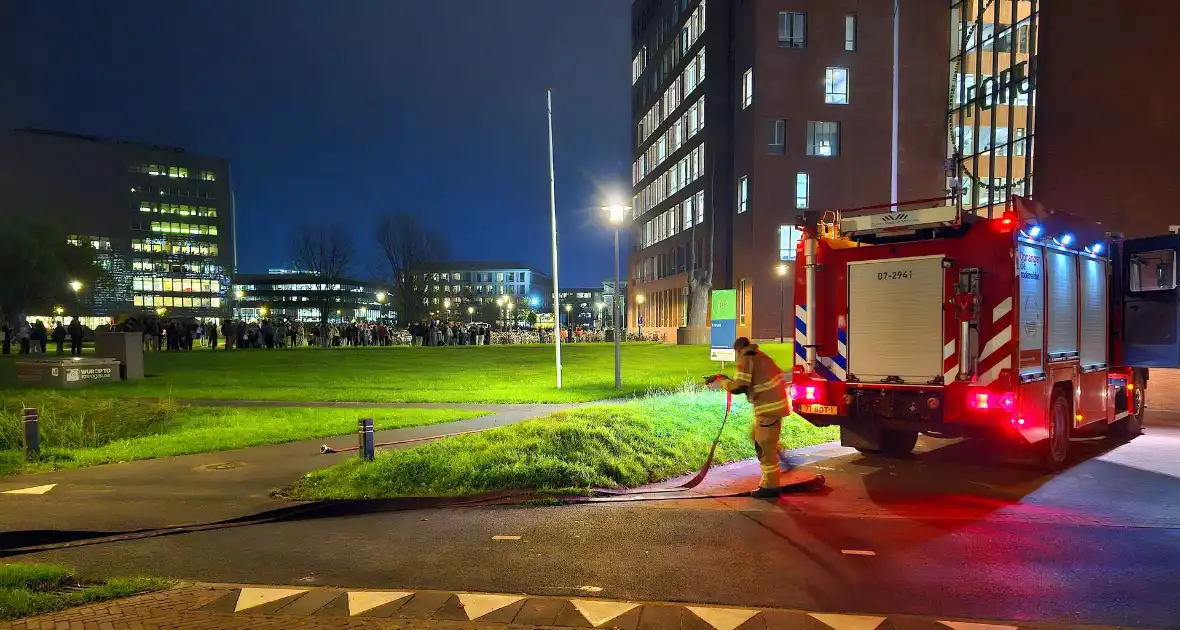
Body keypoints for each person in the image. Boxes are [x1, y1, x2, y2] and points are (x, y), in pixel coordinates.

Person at [707, 337, 791, 498]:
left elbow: (739, 386)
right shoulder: (760, 356)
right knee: (757, 436)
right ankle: (781, 458)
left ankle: (770, 486)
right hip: (777, 407)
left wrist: (723, 382)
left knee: (763, 447)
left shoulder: (746, 358)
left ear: (737, 350)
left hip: (767, 409)